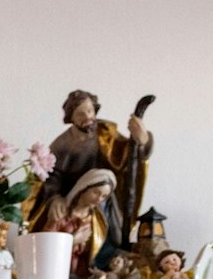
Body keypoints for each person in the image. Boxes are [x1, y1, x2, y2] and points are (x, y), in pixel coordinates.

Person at [29, 90, 152, 238]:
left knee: (113, 237)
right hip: (74, 202)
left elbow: (129, 155)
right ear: (71, 118)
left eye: (89, 110)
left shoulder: (106, 133)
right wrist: (55, 198)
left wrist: (142, 140)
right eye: (80, 114)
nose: (87, 117)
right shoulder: (63, 144)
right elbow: (51, 175)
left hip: (104, 200)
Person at [36, 168, 122, 279]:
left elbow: (99, 251)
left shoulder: (97, 220)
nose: (99, 199)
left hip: (80, 274)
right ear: (84, 188)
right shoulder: (60, 212)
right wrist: (73, 241)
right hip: (54, 270)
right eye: (96, 192)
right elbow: (44, 245)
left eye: (104, 196)